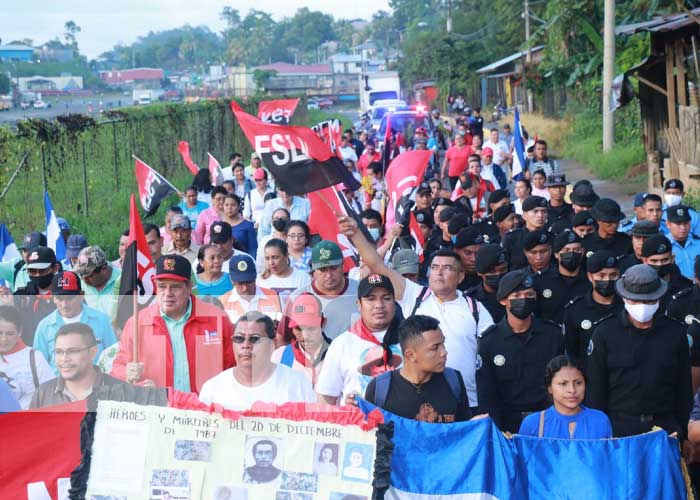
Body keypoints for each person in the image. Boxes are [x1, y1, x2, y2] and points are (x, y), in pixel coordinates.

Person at [338, 215, 494, 408]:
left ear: (460, 276)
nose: (439, 272)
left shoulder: (475, 309)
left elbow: (489, 355)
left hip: (465, 400)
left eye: (447, 268)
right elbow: (377, 265)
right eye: (435, 267)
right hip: (418, 398)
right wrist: (356, 235)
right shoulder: (414, 295)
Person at [586, 264, 692, 438]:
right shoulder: (605, 332)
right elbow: (596, 391)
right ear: (624, 297)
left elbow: (683, 389)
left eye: (649, 301)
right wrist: (600, 434)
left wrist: (683, 433)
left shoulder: (675, 332)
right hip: (618, 429)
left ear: (659, 298)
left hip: (665, 428)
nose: (642, 306)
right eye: (635, 300)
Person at [111, 254, 235, 392]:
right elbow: (118, 368)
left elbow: (233, 367)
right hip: (159, 409)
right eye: (162, 286)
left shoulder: (217, 318)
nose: (167, 293)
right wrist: (127, 375)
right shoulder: (136, 323)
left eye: (175, 287)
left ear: (189, 287)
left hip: (205, 409)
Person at [476, 269, 565, 432]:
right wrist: (497, 431)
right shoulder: (489, 341)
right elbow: (487, 394)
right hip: (507, 425)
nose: (524, 300)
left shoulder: (552, 334)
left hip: (548, 422)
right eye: (516, 296)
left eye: (529, 295)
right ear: (503, 300)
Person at [365, 315, 473, 423]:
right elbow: (367, 433)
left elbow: (464, 431)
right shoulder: (379, 390)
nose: (444, 352)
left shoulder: (453, 380)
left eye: (443, 344)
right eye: (435, 348)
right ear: (410, 355)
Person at [316, 274, 402, 406]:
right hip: (356, 424)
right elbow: (326, 399)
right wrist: (345, 409)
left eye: (386, 298)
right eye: (370, 299)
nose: (379, 305)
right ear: (359, 304)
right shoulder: (341, 345)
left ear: (394, 303)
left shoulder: (410, 338)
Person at [199, 312, 315, 410]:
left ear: (272, 344)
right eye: (239, 338)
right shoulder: (212, 389)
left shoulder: (299, 383)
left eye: (255, 339)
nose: (246, 345)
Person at [33, 271, 117, 374]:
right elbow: (39, 367)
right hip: (58, 387)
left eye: (69, 298)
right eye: (59, 298)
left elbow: (113, 356)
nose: (64, 304)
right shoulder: (44, 326)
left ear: (81, 295)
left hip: (97, 386)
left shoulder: (101, 320)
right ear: (53, 297)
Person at [30, 323, 125, 408]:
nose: (64, 359)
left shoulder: (120, 393)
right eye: (58, 352)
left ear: (93, 352)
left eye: (73, 351)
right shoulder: (43, 394)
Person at [280, 241, 360, 341]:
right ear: (313, 271)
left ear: (342, 266)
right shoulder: (297, 297)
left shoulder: (361, 290)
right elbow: (283, 337)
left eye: (334, 268)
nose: (329, 275)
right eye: (322, 270)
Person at [518, 355, 612, 439]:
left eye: (578, 383)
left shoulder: (600, 420)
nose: (572, 390)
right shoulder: (533, 423)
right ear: (550, 388)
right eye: (563, 384)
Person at [563, 251, 622, 371]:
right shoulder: (575, 310)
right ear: (590, 277)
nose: (607, 280)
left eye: (613, 275)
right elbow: (571, 352)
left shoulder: (627, 306)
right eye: (601, 275)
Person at [0, 305, 53, 409]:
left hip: (28, 421)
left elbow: (51, 394)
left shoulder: (34, 358)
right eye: (0, 333)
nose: (4, 339)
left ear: (20, 332)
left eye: (10, 334)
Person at [271, 293, 330, 387]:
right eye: (298, 329)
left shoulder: (338, 354)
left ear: (323, 322)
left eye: (310, 328)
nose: (305, 336)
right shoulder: (279, 357)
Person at [12, 246, 60, 344]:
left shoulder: (67, 293)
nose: (37, 275)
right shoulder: (21, 295)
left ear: (55, 268)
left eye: (42, 270)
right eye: (32, 271)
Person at [220, 254, 282, 325]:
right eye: (240, 283)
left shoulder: (273, 296)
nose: (245, 288)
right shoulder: (222, 302)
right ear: (231, 280)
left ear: (255, 277)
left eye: (249, 282)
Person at [640, 233, 691, 311]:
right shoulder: (636, 287)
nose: (659, 264)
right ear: (644, 261)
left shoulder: (686, 286)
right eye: (654, 261)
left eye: (665, 260)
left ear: (672, 258)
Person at [73, 245, 122, 321]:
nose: (84, 279)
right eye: (81, 275)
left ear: (103, 269)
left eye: (89, 275)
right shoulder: (78, 282)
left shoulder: (122, 280)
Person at [502, 195, 549, 269]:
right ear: (524, 216)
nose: (540, 215)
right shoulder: (511, 238)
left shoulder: (551, 238)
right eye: (535, 211)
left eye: (544, 211)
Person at [466, 244, 508, 323]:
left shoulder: (517, 292)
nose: (498, 274)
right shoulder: (470, 299)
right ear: (480, 272)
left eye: (503, 269)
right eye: (492, 271)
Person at [666, 205, 700, 280]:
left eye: (686, 223)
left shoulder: (698, 242)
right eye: (678, 224)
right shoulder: (664, 245)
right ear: (668, 224)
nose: (683, 228)